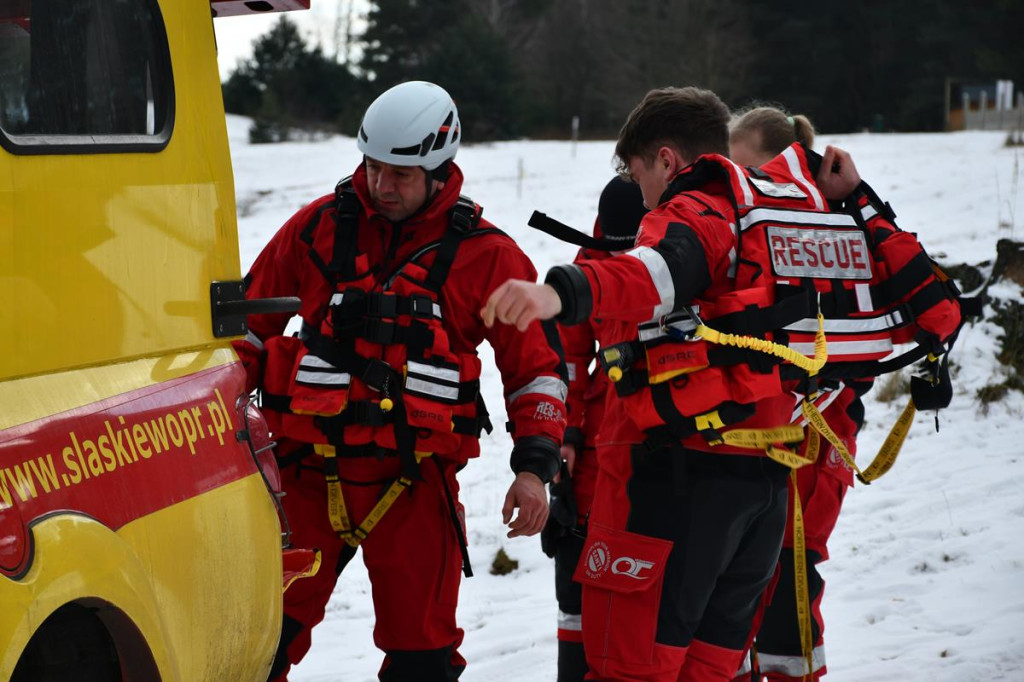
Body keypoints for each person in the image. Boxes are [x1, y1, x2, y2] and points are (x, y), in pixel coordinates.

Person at [482, 86, 852, 681]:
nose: (641, 197)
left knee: (630, 668)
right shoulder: (791, 218)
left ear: (665, 160)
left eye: (638, 176)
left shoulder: (695, 212)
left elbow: (655, 272)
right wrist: (858, 199)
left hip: (676, 480)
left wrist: (560, 292)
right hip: (763, 486)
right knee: (709, 671)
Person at [234, 80, 567, 682]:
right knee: (254, 644)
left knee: (424, 659)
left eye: (401, 175)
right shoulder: (315, 228)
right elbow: (247, 333)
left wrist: (533, 467)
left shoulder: (490, 257)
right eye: (373, 167)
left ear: (440, 173)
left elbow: (536, 371)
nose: (381, 185)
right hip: (306, 475)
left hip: (414, 485)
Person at [728, 105, 870, 682]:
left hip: (814, 443)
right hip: (761, 442)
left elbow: (861, 339)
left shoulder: (829, 230)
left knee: (789, 596)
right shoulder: (749, 232)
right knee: (734, 604)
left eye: (751, 171)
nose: (742, 185)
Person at [541, 176, 648, 682]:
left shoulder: (687, 253)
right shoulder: (588, 266)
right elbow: (566, 361)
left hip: (667, 436)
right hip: (601, 439)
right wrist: (565, 435)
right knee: (577, 557)